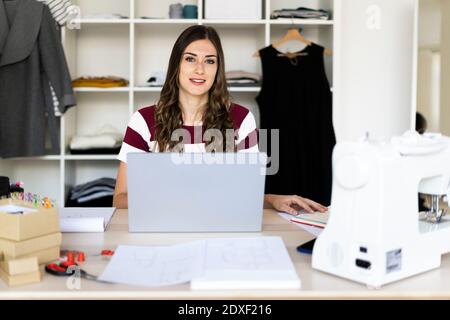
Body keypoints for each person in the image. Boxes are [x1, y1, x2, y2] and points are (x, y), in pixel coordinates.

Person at [113, 25, 327, 215]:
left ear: (218, 70)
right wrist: (184, 202)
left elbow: (245, 197)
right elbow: (120, 198)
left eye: (209, 61)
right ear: (176, 65)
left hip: (220, 227)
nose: (200, 69)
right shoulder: (144, 120)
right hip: (161, 226)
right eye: (190, 59)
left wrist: (273, 200)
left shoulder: (241, 119)